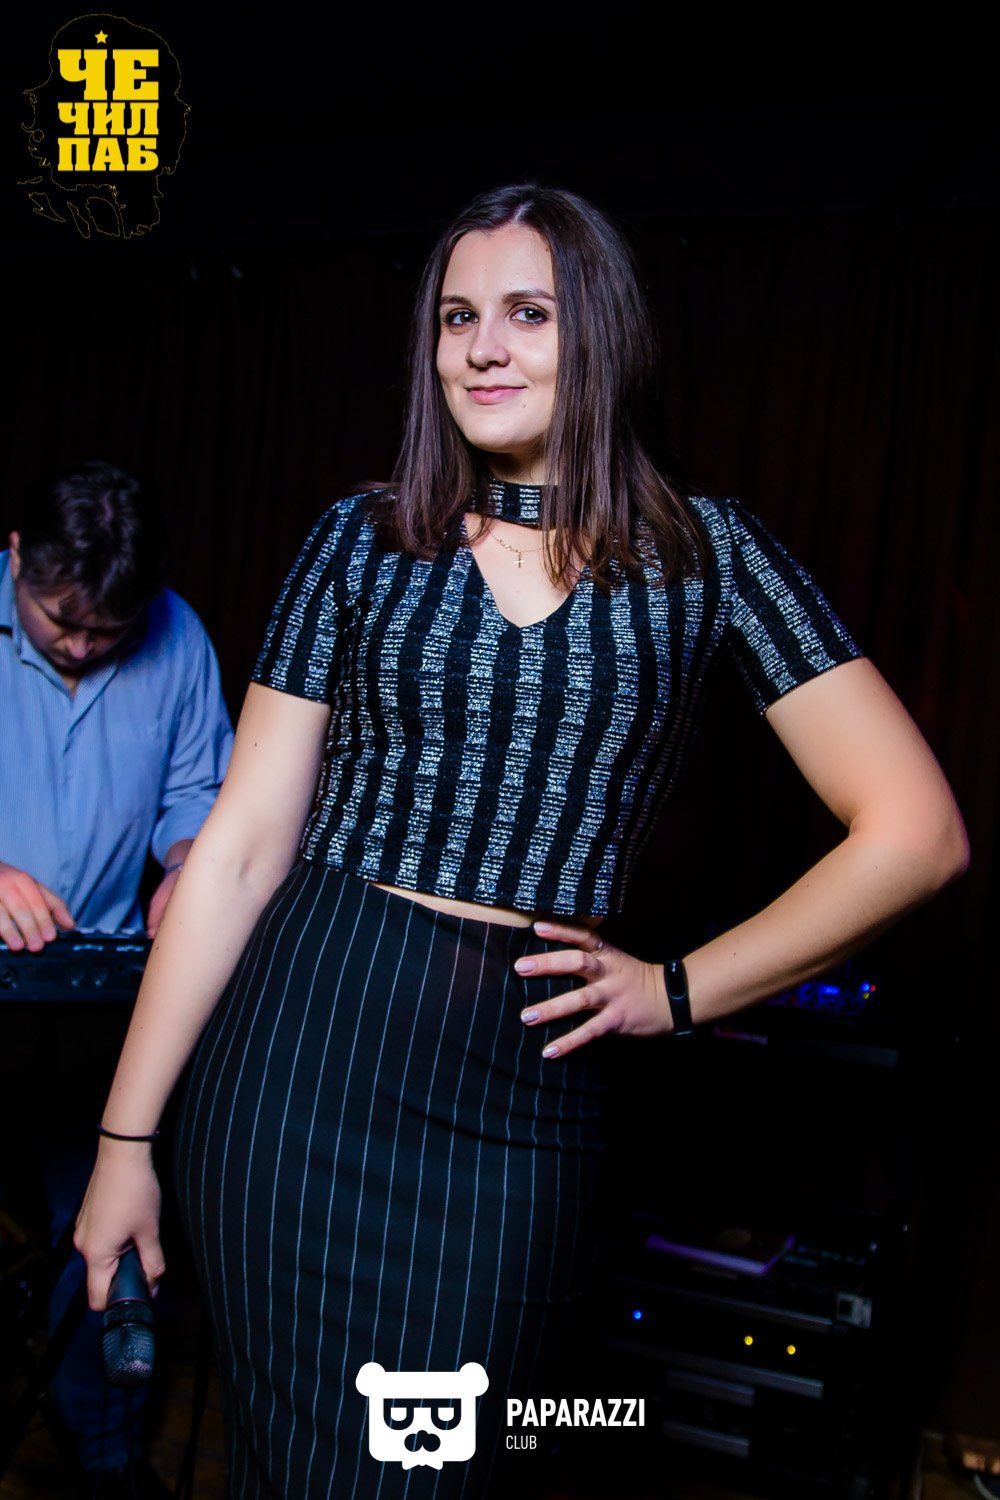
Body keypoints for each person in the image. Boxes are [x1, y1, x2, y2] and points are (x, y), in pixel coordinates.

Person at [74, 187, 969, 1498]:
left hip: (521, 1105)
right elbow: (242, 851)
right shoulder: (360, 541)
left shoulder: (710, 557)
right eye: (456, 318)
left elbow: (917, 835)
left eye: (527, 313)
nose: (482, 348)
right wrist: (124, 1144)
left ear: (598, 333)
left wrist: (676, 991)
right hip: (299, 1063)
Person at [0, 460, 233, 1496]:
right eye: (63, 622)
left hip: (95, 1012)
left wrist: (189, 864)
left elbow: (198, 791)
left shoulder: (178, 636)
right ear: (17, 556)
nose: (87, 647)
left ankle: (107, 1462)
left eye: (112, 632)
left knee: (103, 1237)